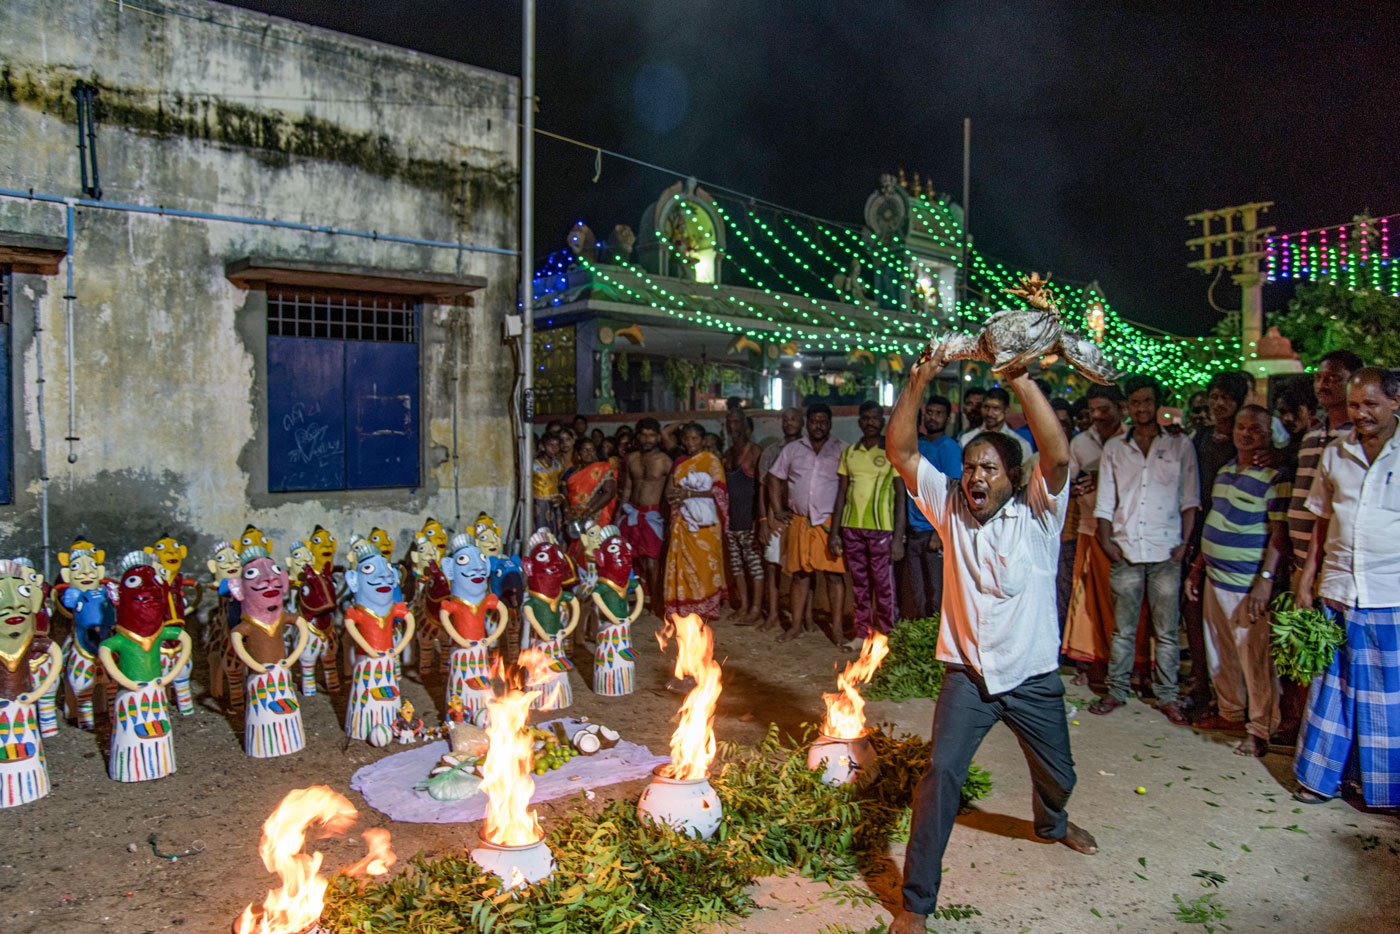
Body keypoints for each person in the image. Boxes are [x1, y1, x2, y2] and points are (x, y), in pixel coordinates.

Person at [886, 341, 1095, 934]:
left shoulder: (1039, 514)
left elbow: (1055, 456)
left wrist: (1020, 377)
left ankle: (1051, 821)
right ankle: (916, 904)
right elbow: (899, 449)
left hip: (1032, 680)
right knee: (941, 776)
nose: (975, 475)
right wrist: (919, 377)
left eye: (989, 468)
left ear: (1013, 478)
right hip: (968, 680)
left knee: (1061, 775)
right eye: (970, 466)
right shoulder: (948, 507)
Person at [1294, 367, 1400, 808]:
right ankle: (1319, 780)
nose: (1360, 413)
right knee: (1330, 687)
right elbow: (1321, 521)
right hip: (1338, 588)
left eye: (1370, 404)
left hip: (1389, 594)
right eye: (1355, 404)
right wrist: (1307, 580)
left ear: (1396, 402)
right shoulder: (1336, 453)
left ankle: (1385, 791)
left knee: (1384, 697)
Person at [1089, 374, 1199, 725]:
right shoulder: (1115, 448)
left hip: (1167, 551)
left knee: (1166, 631)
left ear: (1157, 404)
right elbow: (1105, 502)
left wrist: (1184, 543)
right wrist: (1108, 543)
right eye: (1134, 403)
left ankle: (1167, 696)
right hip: (1126, 549)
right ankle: (1116, 690)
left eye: (1147, 402)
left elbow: (1190, 498)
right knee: (1123, 630)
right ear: (1127, 407)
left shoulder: (1180, 445)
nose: (1141, 409)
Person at [1184, 404, 1289, 756]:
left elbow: (1278, 534)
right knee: (1221, 653)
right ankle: (1230, 712)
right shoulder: (1226, 470)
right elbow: (1216, 519)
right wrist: (1198, 567)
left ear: (1267, 435)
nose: (1246, 434)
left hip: (1247, 584)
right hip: (1215, 578)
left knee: (1255, 661)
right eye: (1242, 428)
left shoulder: (1275, 475)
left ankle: (1260, 729)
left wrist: (1265, 581)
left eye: (1255, 429)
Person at [1281, 350, 1363, 740]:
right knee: (1301, 652)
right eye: (1320, 377)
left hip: (1338, 569)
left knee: (1337, 661)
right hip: (1301, 559)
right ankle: (1298, 729)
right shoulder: (1313, 436)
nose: (1323, 383)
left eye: (1334, 377)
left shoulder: (1360, 437)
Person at [1182, 370, 1254, 716]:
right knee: (1196, 617)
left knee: (1236, 625)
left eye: (1226, 397)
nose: (1218, 403)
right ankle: (1202, 683)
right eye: (1214, 396)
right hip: (1201, 536)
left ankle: (1241, 699)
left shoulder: (1252, 442)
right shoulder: (1200, 439)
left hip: (1241, 545)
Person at [1061, 384, 1126, 685]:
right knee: (1089, 603)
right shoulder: (1080, 443)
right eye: (1094, 411)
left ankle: (1126, 668)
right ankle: (1093, 666)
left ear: (1120, 407)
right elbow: (1067, 486)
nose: (1098, 416)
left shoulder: (1132, 438)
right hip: (1088, 528)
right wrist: (1075, 488)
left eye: (1105, 410)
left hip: (1126, 534)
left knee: (1122, 602)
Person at [767, 403, 847, 644]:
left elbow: (848, 487)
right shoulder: (793, 449)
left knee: (834, 576)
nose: (818, 425)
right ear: (807, 423)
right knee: (800, 576)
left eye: (823, 421)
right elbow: (774, 477)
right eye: (814, 421)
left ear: (830, 424)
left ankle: (838, 630)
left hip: (828, 523)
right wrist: (778, 509)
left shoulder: (842, 449)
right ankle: (795, 626)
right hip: (800, 521)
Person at [831, 401, 905, 649]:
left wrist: (898, 537)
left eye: (875, 418)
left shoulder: (891, 452)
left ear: (882, 422)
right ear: (860, 422)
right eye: (866, 418)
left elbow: (900, 496)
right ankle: (862, 634)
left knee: (884, 585)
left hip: (882, 529)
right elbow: (840, 494)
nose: (871, 422)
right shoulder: (850, 452)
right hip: (851, 528)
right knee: (860, 585)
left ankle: (885, 636)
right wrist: (834, 533)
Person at [900, 394, 960, 620]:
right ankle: (921, 640)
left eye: (939, 414)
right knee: (917, 591)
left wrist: (939, 530)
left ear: (948, 418)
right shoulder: (918, 445)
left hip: (934, 532)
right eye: (930, 413)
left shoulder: (950, 448)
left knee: (936, 592)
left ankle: (936, 640)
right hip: (914, 531)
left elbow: (953, 490)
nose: (933, 418)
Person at [662, 423, 728, 620]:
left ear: (702, 440)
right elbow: (670, 490)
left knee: (705, 565)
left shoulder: (711, 461)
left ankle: (706, 608)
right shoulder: (680, 462)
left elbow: (719, 490)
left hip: (706, 525)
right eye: (687, 439)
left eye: (695, 439)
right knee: (684, 565)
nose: (690, 443)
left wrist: (689, 493)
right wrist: (675, 495)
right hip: (683, 521)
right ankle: (683, 608)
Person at [756, 407, 805, 632]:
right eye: (786, 419)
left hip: (801, 517)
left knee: (804, 568)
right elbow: (763, 489)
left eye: (794, 419)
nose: (789, 422)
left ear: (802, 421)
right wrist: (765, 519)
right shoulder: (771, 451)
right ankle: (774, 614)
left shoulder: (809, 450)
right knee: (772, 566)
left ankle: (804, 617)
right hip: (777, 517)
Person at [618, 417, 672, 607]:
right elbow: (626, 488)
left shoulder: (665, 461)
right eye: (643, 435)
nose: (647, 439)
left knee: (652, 562)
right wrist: (618, 517)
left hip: (653, 516)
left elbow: (671, 493)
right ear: (638, 436)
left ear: (658, 438)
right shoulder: (631, 458)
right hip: (632, 513)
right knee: (627, 559)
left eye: (651, 435)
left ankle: (657, 602)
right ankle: (629, 600)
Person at [723, 409, 765, 623]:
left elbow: (762, 488)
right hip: (732, 520)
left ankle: (756, 609)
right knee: (737, 566)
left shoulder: (754, 451)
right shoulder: (729, 453)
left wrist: (761, 520)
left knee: (754, 566)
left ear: (746, 425)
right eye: (729, 421)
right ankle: (745, 606)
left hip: (749, 519)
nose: (732, 426)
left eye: (736, 422)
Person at [958, 387, 1032, 461]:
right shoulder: (967, 438)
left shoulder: (1020, 444)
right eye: (986, 407)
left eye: (996, 409)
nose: (990, 413)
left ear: (1006, 410)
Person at [564, 438, 617, 529]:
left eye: (592, 449)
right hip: (576, 517)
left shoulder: (603, 467)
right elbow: (566, 494)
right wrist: (567, 511)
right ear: (579, 453)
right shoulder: (572, 473)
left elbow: (609, 493)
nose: (589, 453)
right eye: (585, 450)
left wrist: (589, 512)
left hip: (597, 514)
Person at [1275, 377, 1318, 462]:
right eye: (1282, 412)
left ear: (1311, 410)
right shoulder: (1279, 450)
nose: (1288, 418)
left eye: (1295, 411)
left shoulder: (1322, 446)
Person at [532, 432, 565, 536]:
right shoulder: (534, 465)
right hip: (539, 504)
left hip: (554, 503)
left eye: (557, 445)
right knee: (540, 532)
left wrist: (561, 497)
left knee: (554, 532)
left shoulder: (557, 464)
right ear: (542, 447)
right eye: (550, 445)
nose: (554, 448)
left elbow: (558, 483)